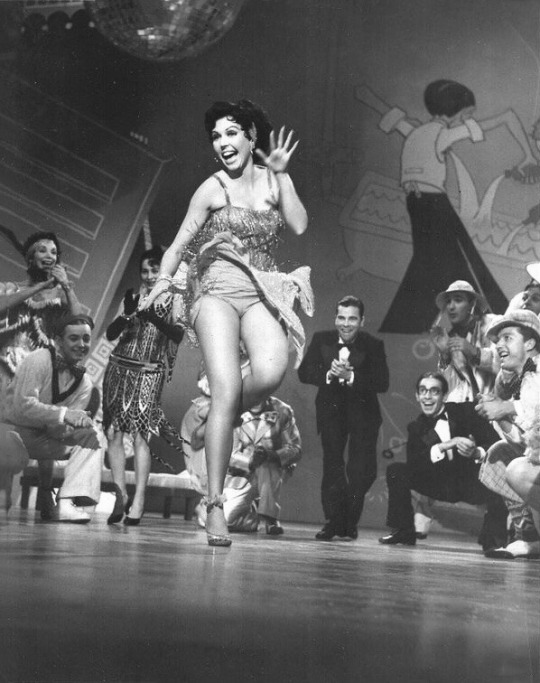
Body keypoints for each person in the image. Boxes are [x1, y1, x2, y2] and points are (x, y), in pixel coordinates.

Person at [140, 99, 311, 546]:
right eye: (216, 136)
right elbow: (177, 246)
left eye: (231, 133)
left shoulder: (273, 179)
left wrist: (283, 174)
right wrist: (161, 285)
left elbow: (298, 224)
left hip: (260, 290)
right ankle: (214, 504)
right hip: (215, 290)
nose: (222, 143)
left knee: (271, 373)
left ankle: (216, 413)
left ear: (252, 137)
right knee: (227, 389)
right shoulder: (211, 188)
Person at [367, 79, 540, 332]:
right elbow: (503, 120)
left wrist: (369, 98)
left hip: (421, 203)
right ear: (455, 111)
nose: (466, 120)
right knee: (452, 260)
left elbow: (395, 120)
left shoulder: (419, 132)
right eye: (466, 114)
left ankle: (484, 319)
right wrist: (525, 149)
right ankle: (487, 319)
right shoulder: (440, 134)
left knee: (449, 259)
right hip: (431, 204)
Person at [102, 246, 185, 526]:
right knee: (113, 433)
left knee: (141, 436)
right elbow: (110, 334)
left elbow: (178, 335)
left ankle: (138, 500)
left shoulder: (175, 298)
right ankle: (120, 495)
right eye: (145, 271)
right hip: (119, 367)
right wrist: (128, 314)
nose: (149, 276)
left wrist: (152, 316)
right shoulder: (133, 296)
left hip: (150, 371)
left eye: (154, 270)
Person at [379, 372, 507, 549]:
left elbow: (495, 443)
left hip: (470, 482)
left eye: (434, 391)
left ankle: (493, 539)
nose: (427, 397)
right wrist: (446, 445)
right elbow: (415, 466)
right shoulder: (416, 427)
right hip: (439, 484)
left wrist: (476, 452)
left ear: (445, 396)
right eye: (423, 391)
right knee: (396, 470)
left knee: (502, 474)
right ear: (417, 396)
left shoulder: (467, 412)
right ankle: (403, 531)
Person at [298, 295, 389, 540]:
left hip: (364, 415)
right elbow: (304, 372)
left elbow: (382, 382)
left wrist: (351, 377)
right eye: (341, 318)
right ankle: (334, 522)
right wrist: (329, 374)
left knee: (362, 471)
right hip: (331, 412)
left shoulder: (374, 344)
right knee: (333, 467)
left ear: (362, 321)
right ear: (335, 318)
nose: (346, 324)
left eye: (352, 319)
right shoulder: (321, 339)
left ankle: (348, 521)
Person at [0, 314, 103, 522]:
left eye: (86, 339)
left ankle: (66, 502)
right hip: (10, 433)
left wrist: (75, 426)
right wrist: (64, 415)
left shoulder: (84, 383)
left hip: (41, 438)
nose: (81, 344)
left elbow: (58, 429)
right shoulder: (39, 359)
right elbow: (23, 406)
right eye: (74, 338)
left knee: (92, 436)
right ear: (58, 340)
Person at [184, 389, 301, 535]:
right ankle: (250, 512)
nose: (256, 397)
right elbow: (227, 454)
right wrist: (251, 461)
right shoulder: (230, 411)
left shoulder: (282, 410)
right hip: (238, 476)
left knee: (268, 466)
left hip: (270, 474)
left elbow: (295, 448)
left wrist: (271, 455)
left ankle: (270, 517)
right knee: (222, 520)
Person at [475, 309, 540, 558]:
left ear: (530, 343)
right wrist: (500, 416)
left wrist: (506, 407)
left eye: (507, 338)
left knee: (518, 470)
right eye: (498, 339)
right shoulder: (514, 379)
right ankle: (529, 536)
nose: (499, 345)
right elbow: (525, 441)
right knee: (499, 456)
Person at [0, 231, 82, 410]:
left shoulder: (61, 296)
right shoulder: (11, 288)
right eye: (42, 250)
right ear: (30, 258)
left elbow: (80, 323)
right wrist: (41, 286)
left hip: (33, 379)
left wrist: (66, 286)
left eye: (53, 252)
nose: (49, 256)